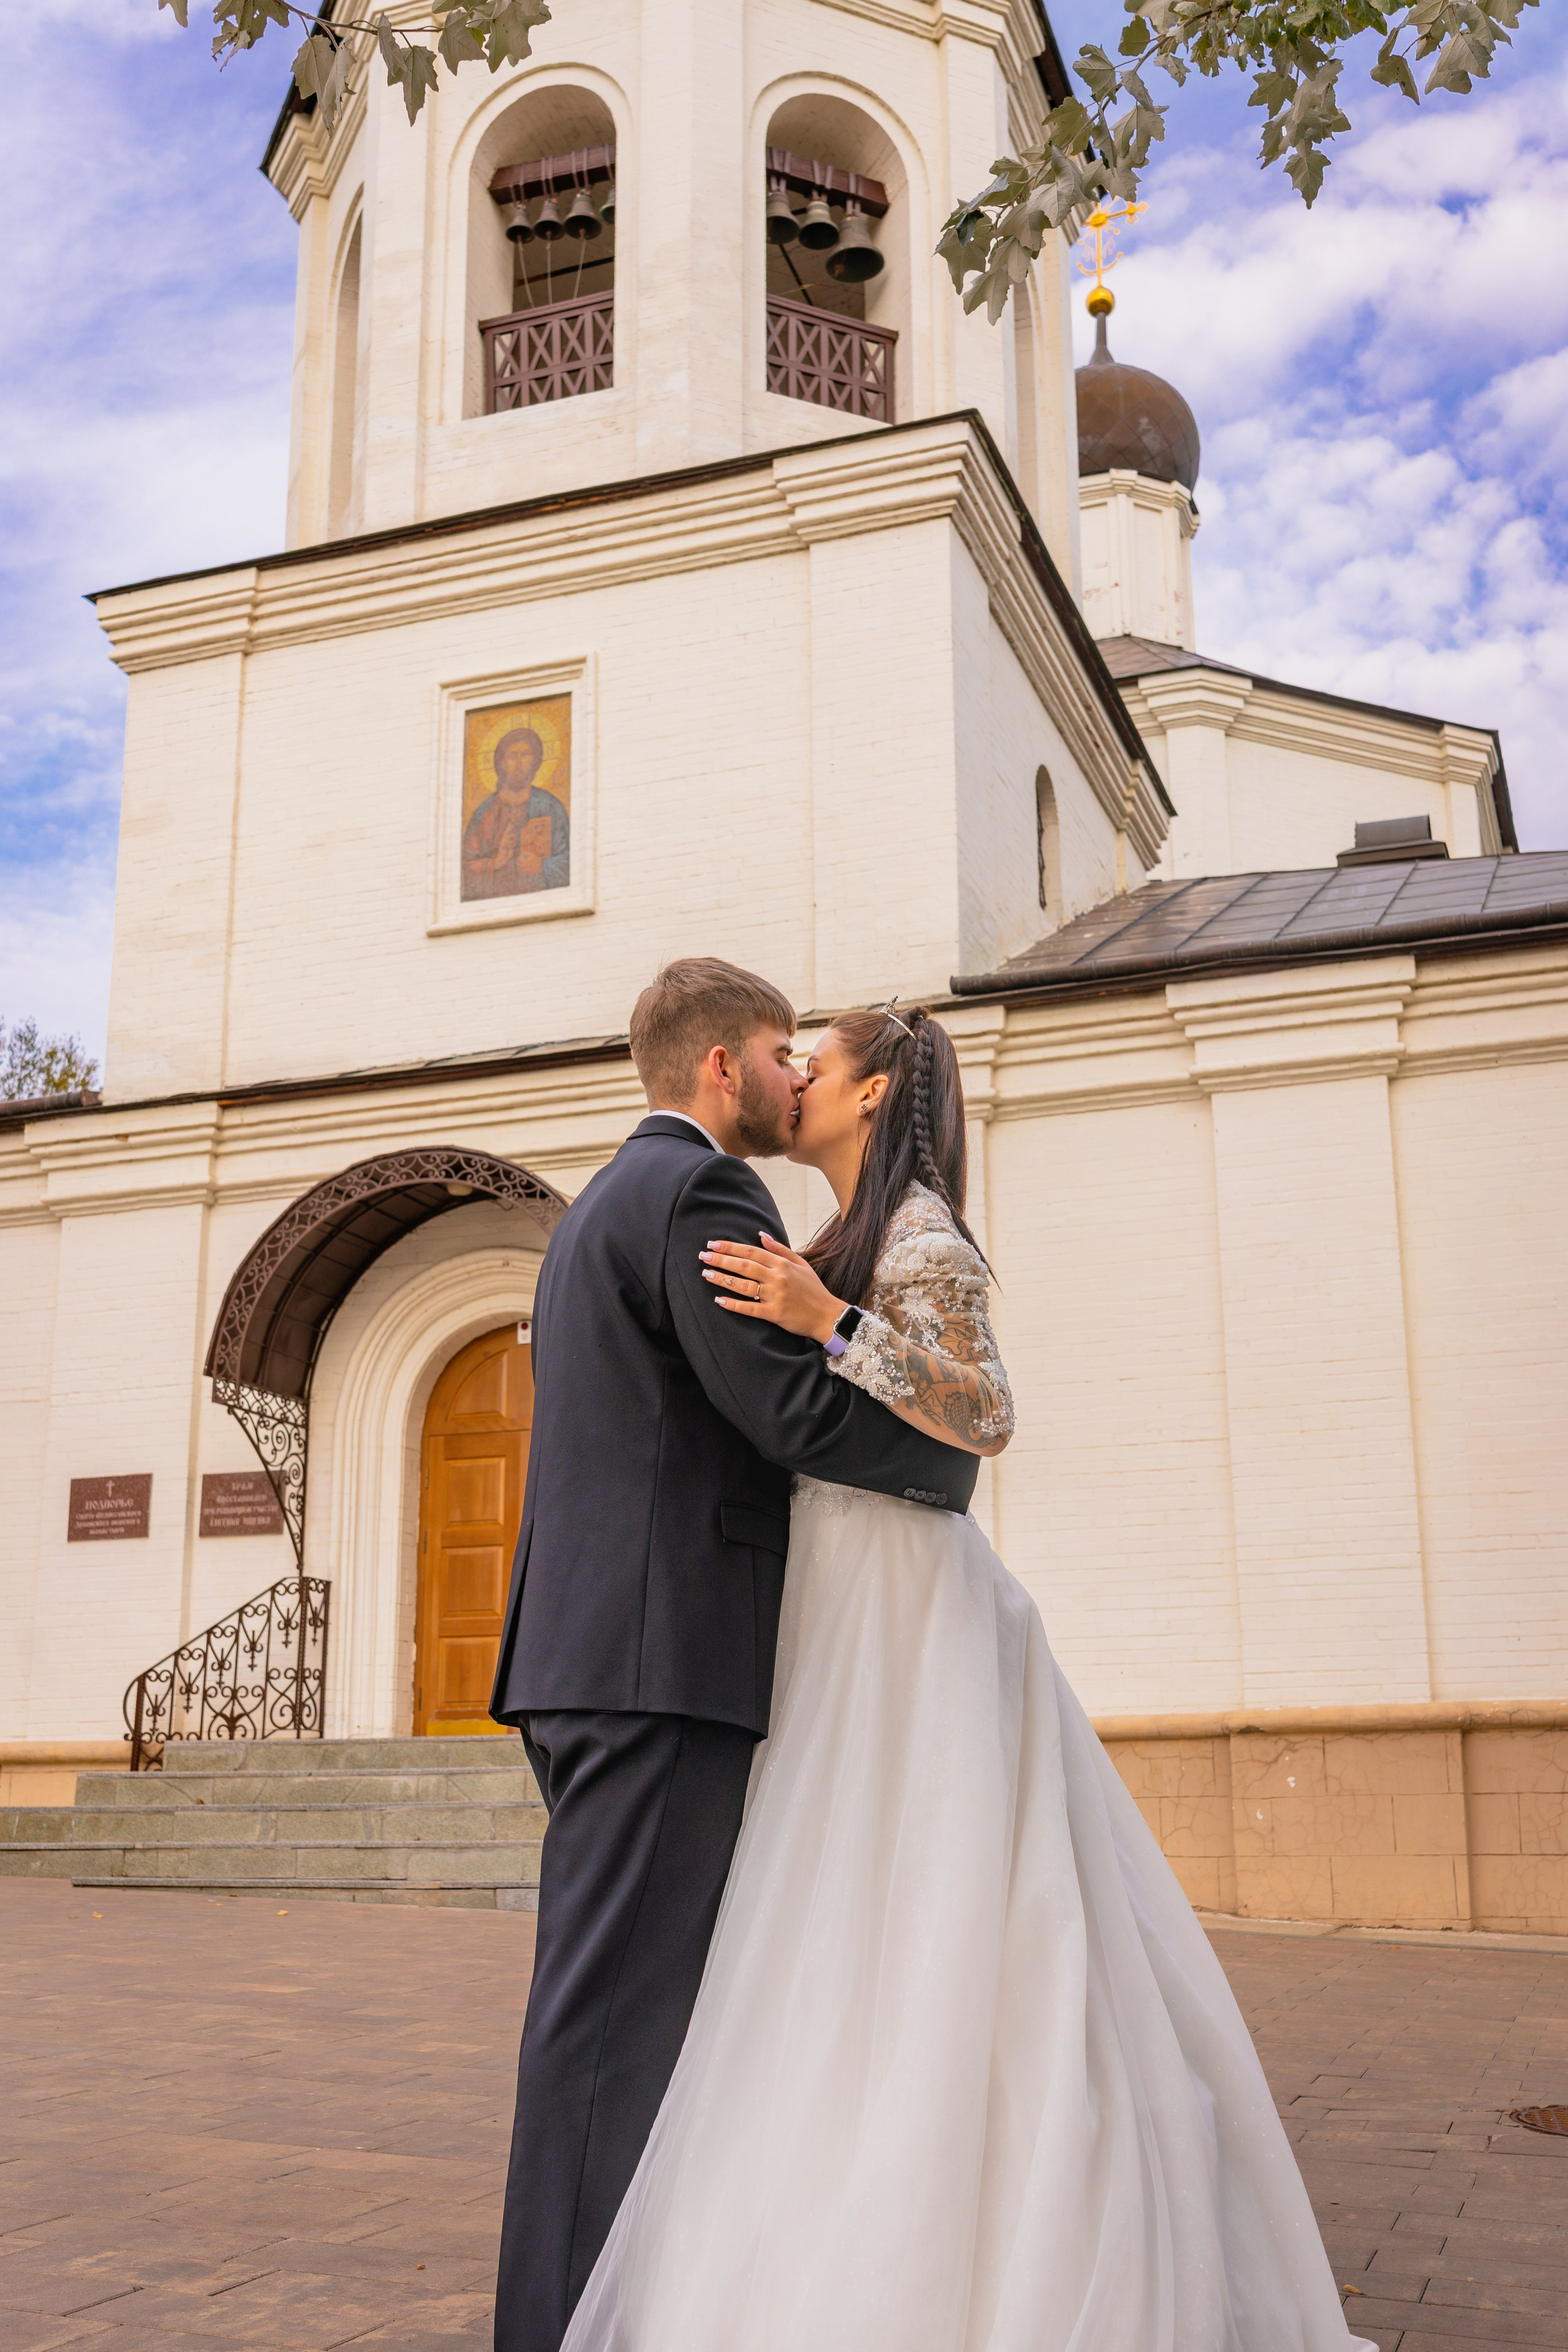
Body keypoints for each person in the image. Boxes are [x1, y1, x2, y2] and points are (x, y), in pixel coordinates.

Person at [554, 1003, 1377, 2352]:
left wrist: (832, 1321)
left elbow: (983, 1413)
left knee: (930, 1892)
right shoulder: (820, 1230)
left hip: (903, 1597)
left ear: (874, 1095)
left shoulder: (919, 1228)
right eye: (784, 1054)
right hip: (829, 1586)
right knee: (819, 1910)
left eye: (818, 1060)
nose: (795, 1072)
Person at [488, 961, 977, 2352]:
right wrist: (941, 1466)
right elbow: (790, 1418)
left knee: (619, 2006)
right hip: (659, 1660)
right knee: (609, 2027)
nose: (789, 1076)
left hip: (589, 1652)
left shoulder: (590, 1206)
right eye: (776, 1052)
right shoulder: (704, 1193)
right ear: (720, 1070)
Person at [462, 726, 570, 898]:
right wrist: (495, 863)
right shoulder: (486, 813)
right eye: (513, 756)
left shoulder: (550, 807)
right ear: (502, 763)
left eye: (525, 755)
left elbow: (571, 861)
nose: (519, 764)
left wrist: (543, 866)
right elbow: (463, 870)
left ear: (535, 761)